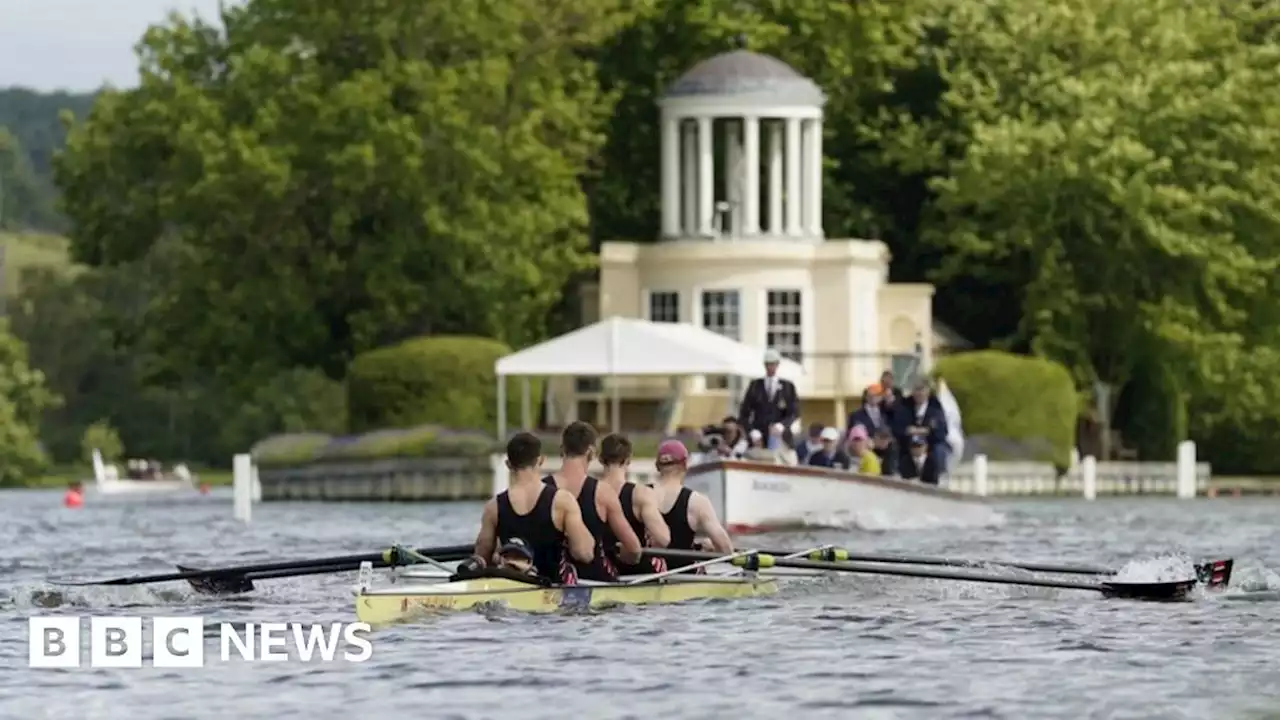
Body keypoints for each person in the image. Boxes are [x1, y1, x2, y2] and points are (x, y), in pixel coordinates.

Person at [473, 432, 595, 583]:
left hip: (511, 586)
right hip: (552, 587)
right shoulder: (562, 501)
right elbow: (584, 554)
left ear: (508, 464)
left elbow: (482, 556)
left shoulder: (494, 506)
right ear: (541, 460)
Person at [543, 421, 643, 581]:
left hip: (548, 579)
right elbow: (634, 549)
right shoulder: (602, 492)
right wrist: (626, 557)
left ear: (562, 449)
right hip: (595, 580)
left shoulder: (541, 488)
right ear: (591, 452)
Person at [652, 439, 734, 570]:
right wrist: (711, 549)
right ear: (685, 465)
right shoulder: (697, 501)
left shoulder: (639, 494)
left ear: (657, 466)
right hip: (683, 576)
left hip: (647, 574)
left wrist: (697, 545)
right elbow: (726, 550)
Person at [598, 433, 671, 575]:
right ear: (628, 460)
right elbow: (663, 539)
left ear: (601, 459)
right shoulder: (641, 494)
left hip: (600, 572)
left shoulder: (588, 491)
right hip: (637, 574)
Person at [893, 376, 949, 474]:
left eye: (922, 390)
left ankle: (937, 476)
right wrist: (909, 431)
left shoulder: (935, 407)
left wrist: (925, 431)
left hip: (929, 444)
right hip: (908, 443)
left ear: (927, 391)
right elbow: (897, 428)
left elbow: (942, 431)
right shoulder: (905, 406)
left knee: (939, 449)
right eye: (916, 390)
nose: (919, 393)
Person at [737, 348, 799, 437]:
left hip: (781, 435)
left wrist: (782, 425)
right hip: (759, 435)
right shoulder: (755, 385)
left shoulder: (787, 386)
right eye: (767, 364)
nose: (770, 367)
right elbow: (744, 412)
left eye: (772, 364)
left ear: (777, 364)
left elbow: (794, 412)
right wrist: (751, 431)